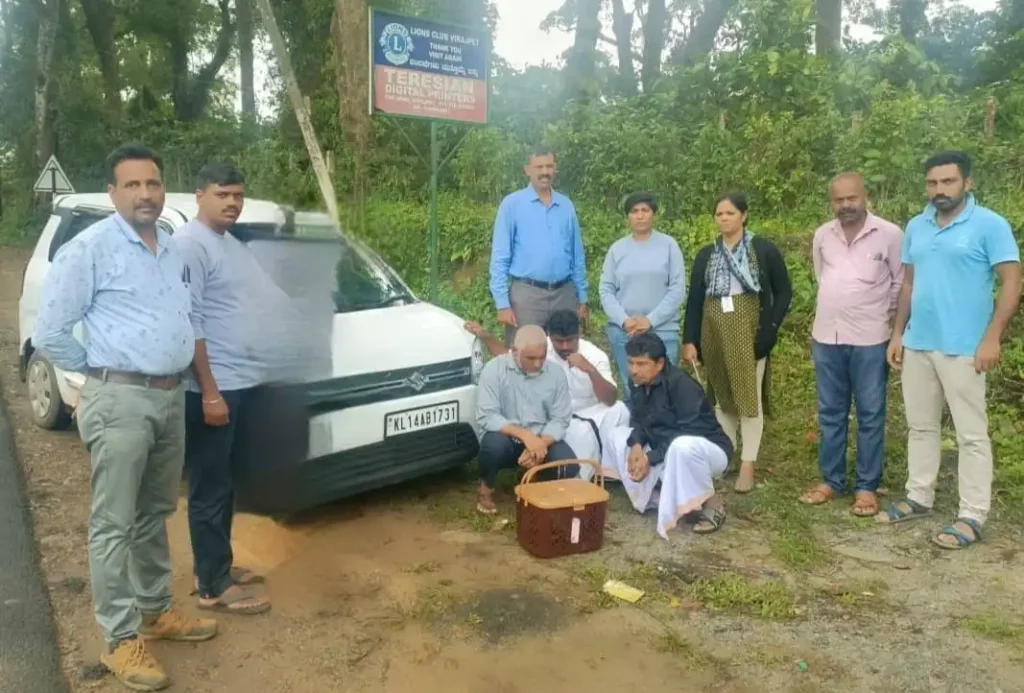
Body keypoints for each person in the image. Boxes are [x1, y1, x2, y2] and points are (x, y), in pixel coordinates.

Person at [33, 144, 216, 692]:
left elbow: (186, 315)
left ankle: (156, 611)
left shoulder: (173, 251)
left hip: (168, 397)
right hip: (120, 400)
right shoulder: (89, 250)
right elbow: (50, 334)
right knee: (113, 522)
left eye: (153, 184)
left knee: (153, 511)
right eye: (132, 185)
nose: (145, 194)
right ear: (113, 193)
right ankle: (119, 638)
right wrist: (103, 375)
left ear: (164, 189)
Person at [881, 151, 1021, 549]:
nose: (939, 190)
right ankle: (918, 496)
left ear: (967, 183)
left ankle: (972, 515)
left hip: (965, 347)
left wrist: (992, 336)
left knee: (971, 435)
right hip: (919, 343)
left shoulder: (989, 225)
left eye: (948, 182)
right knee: (921, 427)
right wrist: (897, 334)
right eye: (932, 183)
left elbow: (1012, 282)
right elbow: (908, 283)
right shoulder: (917, 225)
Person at [172, 164, 272, 615]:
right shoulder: (190, 246)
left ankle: (216, 567)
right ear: (200, 196)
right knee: (209, 488)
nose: (232, 202)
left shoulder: (229, 243)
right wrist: (209, 391)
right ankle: (212, 588)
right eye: (222, 194)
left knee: (225, 485)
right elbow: (189, 323)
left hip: (238, 381)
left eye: (237, 194)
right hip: (211, 389)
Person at [800, 173, 904, 517]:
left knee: (871, 414)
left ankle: (866, 487)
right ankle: (831, 480)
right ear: (831, 202)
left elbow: (900, 284)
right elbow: (822, 278)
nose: (845, 205)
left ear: (865, 196)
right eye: (838, 200)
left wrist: (886, 321)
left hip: (870, 339)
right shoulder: (822, 235)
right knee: (830, 413)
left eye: (851, 198)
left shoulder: (889, 234)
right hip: (827, 336)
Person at [682, 192, 792, 493]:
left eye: (730, 213)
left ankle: (748, 464)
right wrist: (690, 339)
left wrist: (770, 327)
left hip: (749, 330)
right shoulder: (707, 254)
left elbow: (784, 292)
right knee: (721, 395)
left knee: (749, 397)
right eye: (719, 214)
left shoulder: (762, 249)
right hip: (713, 328)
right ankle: (724, 455)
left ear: (743, 215)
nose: (724, 219)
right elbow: (694, 300)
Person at [465, 310, 630, 476]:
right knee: (574, 433)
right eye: (559, 341)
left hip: (585, 412)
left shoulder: (595, 355)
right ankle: (571, 479)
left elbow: (610, 399)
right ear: (550, 337)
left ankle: (607, 469)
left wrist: (590, 370)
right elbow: (509, 356)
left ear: (578, 335)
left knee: (619, 410)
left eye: (570, 340)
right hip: (549, 418)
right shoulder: (541, 348)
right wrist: (486, 336)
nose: (565, 346)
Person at [601, 333, 734, 538]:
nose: (634, 370)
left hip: (707, 450)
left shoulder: (682, 385)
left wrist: (650, 457)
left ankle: (712, 504)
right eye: (631, 363)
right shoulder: (636, 382)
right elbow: (639, 420)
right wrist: (637, 446)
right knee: (618, 435)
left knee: (682, 447)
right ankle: (660, 495)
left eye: (641, 363)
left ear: (660, 363)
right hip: (665, 445)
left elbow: (689, 432)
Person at [474, 325, 578, 513]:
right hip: (506, 439)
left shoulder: (555, 374)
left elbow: (560, 419)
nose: (538, 364)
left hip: (540, 439)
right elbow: (487, 416)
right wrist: (525, 436)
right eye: (531, 358)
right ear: (514, 351)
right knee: (492, 446)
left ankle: (535, 484)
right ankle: (486, 487)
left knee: (568, 464)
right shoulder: (494, 370)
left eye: (542, 356)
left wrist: (540, 443)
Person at [489, 147, 588, 346]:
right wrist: (502, 304)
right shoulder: (512, 204)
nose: (545, 172)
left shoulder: (566, 205)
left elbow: (577, 255)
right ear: (527, 170)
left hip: (564, 294)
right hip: (527, 296)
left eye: (549, 166)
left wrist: (582, 298)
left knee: (567, 354)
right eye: (539, 166)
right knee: (524, 354)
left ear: (555, 169)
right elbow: (500, 257)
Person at [600, 191, 686, 394]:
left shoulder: (669, 246)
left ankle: (664, 427)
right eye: (634, 211)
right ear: (628, 216)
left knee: (665, 390)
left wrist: (650, 320)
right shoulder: (617, 249)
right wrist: (624, 320)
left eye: (645, 210)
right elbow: (606, 289)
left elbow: (677, 289)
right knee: (633, 390)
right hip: (625, 333)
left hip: (662, 331)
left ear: (653, 214)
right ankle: (637, 426)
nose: (640, 215)